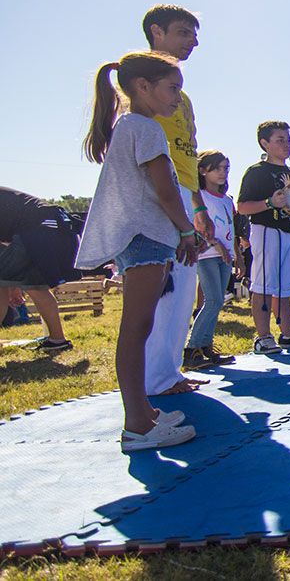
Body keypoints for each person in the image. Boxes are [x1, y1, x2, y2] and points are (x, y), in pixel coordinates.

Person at [75, 51, 200, 450]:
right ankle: (137, 424)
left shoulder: (132, 125)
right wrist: (187, 231)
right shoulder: (145, 127)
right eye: (172, 88)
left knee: (139, 326)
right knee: (136, 328)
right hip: (145, 236)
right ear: (143, 87)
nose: (177, 98)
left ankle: (143, 411)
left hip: (145, 237)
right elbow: (165, 189)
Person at [138, 5, 208, 397]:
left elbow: (188, 154)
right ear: (156, 32)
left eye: (195, 35)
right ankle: (150, 380)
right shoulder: (138, 85)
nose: (192, 42)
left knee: (182, 286)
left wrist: (197, 206)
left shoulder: (182, 99)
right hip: (154, 192)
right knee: (159, 287)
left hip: (183, 191)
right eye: (184, 32)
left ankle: (168, 373)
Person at [236, 121, 290, 353]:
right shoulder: (256, 172)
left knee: (284, 286)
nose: (287, 145)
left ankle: (288, 333)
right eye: (280, 140)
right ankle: (263, 336)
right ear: (264, 143)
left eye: (288, 140)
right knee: (263, 283)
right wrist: (269, 203)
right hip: (267, 230)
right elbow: (242, 206)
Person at [0, 188, 81, 353]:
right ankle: (58, 340)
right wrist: (14, 283)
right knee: (36, 287)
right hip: (56, 228)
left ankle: (57, 339)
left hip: (39, 230)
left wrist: (11, 284)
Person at [182, 151, 239, 370]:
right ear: (203, 170)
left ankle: (205, 346)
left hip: (225, 255)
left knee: (218, 301)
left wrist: (237, 255)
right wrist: (216, 244)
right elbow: (198, 225)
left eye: (226, 168)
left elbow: (230, 228)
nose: (223, 172)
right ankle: (192, 348)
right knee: (213, 300)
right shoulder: (198, 197)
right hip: (207, 254)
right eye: (217, 168)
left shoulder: (226, 200)